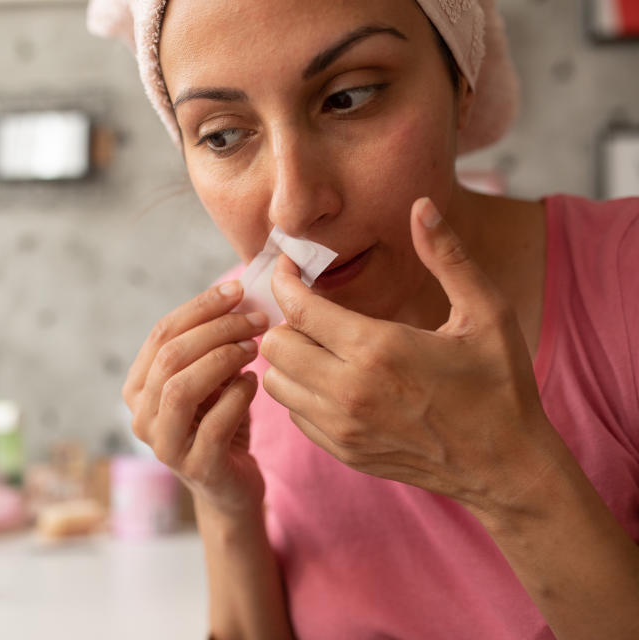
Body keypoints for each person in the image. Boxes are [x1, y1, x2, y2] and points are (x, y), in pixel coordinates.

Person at [88, 0, 639, 638]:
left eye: (348, 98)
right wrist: (225, 505)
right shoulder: (239, 357)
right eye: (222, 134)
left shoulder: (622, 282)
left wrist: (508, 471)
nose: (293, 207)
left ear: (461, 81)